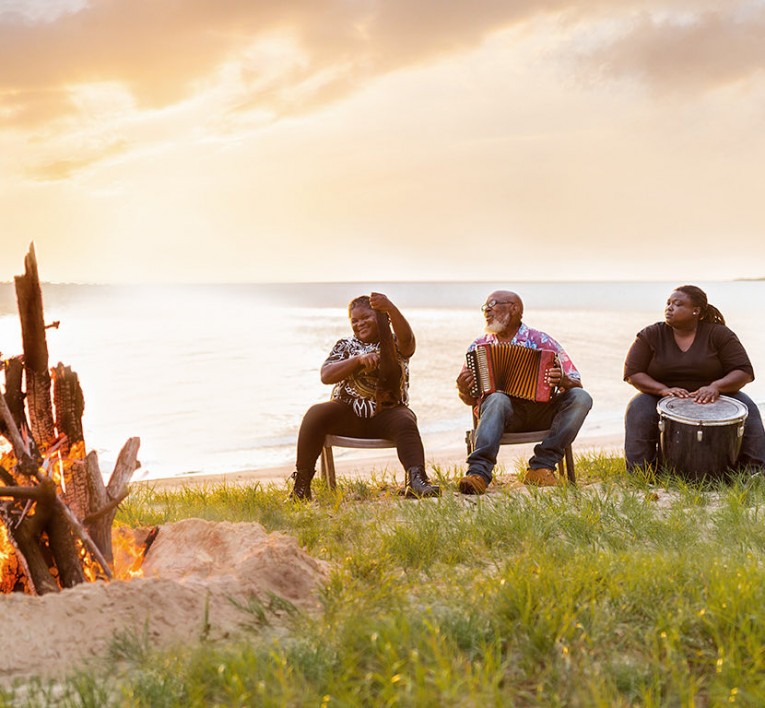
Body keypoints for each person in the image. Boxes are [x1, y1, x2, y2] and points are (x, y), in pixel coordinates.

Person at [290, 292, 439, 500]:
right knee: (316, 413)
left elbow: (409, 340)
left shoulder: (395, 344)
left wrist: (390, 308)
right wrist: (358, 360)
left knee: (406, 421)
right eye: (355, 320)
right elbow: (326, 375)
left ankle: (416, 481)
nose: (359, 324)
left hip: (387, 415)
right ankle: (301, 487)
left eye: (365, 318)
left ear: (380, 318)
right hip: (348, 414)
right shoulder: (345, 345)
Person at [455, 290, 592, 493]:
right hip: (502, 416)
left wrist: (563, 380)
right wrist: (463, 389)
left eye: (492, 304)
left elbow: (576, 382)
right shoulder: (479, 347)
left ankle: (541, 466)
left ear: (514, 308)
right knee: (497, 399)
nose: (487, 311)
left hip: (541, 412)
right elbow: (469, 400)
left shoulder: (543, 342)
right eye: (485, 307)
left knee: (582, 398)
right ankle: (478, 473)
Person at [624, 284, 765, 472]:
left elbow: (744, 371)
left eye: (678, 304)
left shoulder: (719, 334)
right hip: (661, 394)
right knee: (637, 408)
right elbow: (632, 372)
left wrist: (716, 387)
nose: (669, 308)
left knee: (748, 408)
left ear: (696, 311)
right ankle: (641, 473)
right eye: (668, 303)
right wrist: (662, 390)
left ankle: (755, 470)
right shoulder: (651, 334)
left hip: (717, 394)